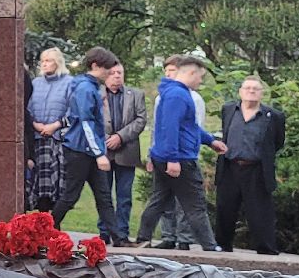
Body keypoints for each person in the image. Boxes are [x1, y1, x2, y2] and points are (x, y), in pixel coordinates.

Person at [135, 56, 227, 253]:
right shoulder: (177, 95)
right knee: (195, 204)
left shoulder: (175, 93)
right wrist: (173, 159)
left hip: (166, 156)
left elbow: (190, 127)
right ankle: (210, 247)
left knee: (159, 199)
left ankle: (143, 237)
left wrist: (210, 140)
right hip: (181, 159)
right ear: (191, 73)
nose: (200, 82)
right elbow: (170, 128)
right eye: (200, 77)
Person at [49, 47, 120, 240]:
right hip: (80, 151)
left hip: (86, 150)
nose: (109, 73)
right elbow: (86, 122)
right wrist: (99, 153)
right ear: (95, 66)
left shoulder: (89, 86)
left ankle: (118, 238)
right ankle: (47, 228)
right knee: (71, 195)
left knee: (104, 196)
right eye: (107, 69)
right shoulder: (85, 88)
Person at [216, 77, 287, 255]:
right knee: (226, 208)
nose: (251, 91)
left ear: (262, 93)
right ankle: (222, 246)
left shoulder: (274, 116)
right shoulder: (229, 110)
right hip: (230, 167)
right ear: (240, 91)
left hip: (256, 169)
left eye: (256, 88)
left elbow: (278, 142)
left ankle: (266, 249)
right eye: (247, 88)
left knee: (260, 212)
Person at [138, 60, 204, 249]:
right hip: (168, 155)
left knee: (180, 201)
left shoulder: (190, 97)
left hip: (182, 155)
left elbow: (193, 128)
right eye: (166, 71)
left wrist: (204, 143)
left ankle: (183, 238)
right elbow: (162, 129)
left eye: (172, 71)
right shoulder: (168, 96)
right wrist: (155, 154)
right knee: (163, 199)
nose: (168, 74)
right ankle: (166, 236)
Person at [97, 62, 147, 244]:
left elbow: (141, 120)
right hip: (104, 152)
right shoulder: (97, 94)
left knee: (124, 196)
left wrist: (120, 136)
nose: (117, 76)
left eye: (120, 72)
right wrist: (106, 139)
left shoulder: (136, 94)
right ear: (106, 75)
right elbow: (90, 119)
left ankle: (122, 233)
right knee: (104, 195)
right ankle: (104, 232)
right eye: (113, 73)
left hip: (127, 152)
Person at [26, 48, 70, 212]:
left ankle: (55, 224)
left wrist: (55, 125)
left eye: (49, 60)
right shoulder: (36, 83)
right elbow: (27, 108)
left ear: (58, 62)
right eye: (42, 60)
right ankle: (42, 221)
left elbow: (73, 111)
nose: (44, 64)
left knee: (57, 186)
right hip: (38, 141)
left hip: (58, 141)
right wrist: (36, 125)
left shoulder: (69, 83)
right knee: (40, 186)